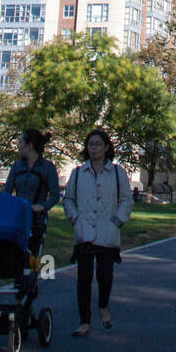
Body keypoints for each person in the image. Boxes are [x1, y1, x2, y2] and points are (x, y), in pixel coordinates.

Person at [63, 128, 133, 336]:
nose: (93, 148)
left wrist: (117, 221)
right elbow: (68, 199)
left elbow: (126, 200)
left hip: (107, 232)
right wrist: (75, 219)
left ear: (106, 147)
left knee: (105, 275)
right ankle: (84, 321)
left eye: (97, 144)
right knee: (83, 278)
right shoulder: (78, 173)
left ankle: (103, 306)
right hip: (84, 231)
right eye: (90, 144)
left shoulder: (117, 172)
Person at [4, 129, 60, 272]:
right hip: (18, 217)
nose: (18, 146)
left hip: (36, 219)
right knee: (15, 252)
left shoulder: (47, 167)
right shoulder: (17, 166)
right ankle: (18, 277)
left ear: (30, 146)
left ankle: (32, 275)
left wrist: (42, 206)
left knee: (32, 253)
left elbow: (55, 195)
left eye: (20, 142)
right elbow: (7, 192)